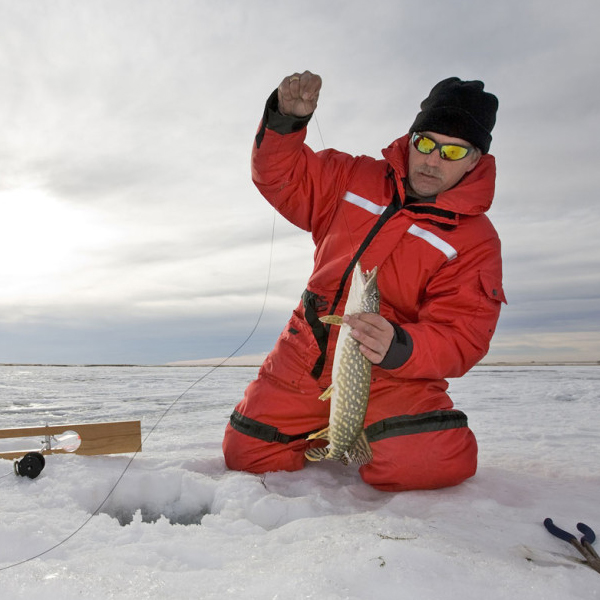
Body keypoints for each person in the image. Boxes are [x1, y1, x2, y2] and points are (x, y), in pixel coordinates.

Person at [222, 71, 505, 492]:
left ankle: (372, 434)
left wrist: (399, 346)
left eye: (452, 151)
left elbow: (463, 336)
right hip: (307, 353)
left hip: (393, 376)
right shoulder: (351, 176)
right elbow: (279, 176)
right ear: (410, 140)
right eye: (425, 143)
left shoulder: (475, 241)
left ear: (475, 160)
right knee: (246, 454)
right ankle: (327, 432)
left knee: (432, 460)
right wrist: (286, 121)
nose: (431, 160)